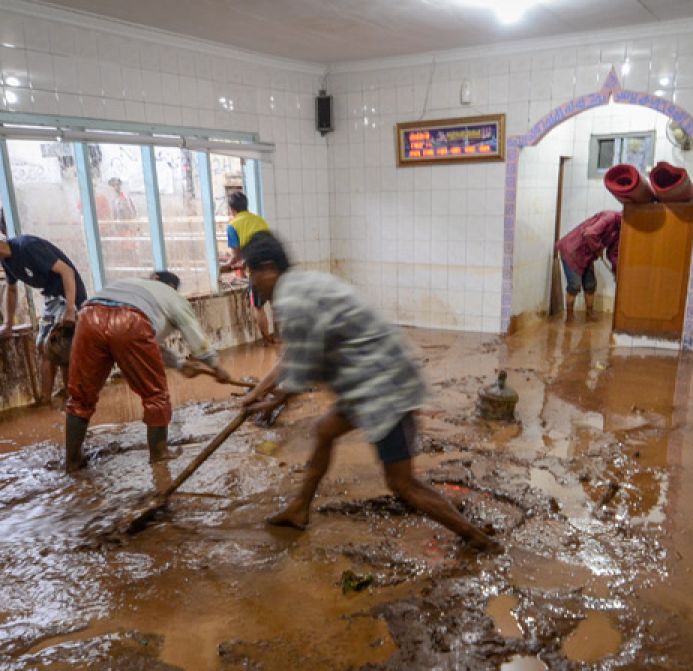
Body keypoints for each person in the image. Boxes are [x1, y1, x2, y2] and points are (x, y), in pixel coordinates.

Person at [239, 231, 500, 553]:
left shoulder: (292, 300)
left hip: (381, 388)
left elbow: (299, 371)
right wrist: (257, 394)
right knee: (325, 430)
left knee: (402, 483)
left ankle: (478, 540)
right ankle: (299, 509)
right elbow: (292, 357)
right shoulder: (301, 285)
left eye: (252, 274)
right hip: (368, 382)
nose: (253, 283)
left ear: (268, 268)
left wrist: (273, 400)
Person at [63, 271, 232, 472]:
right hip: (130, 321)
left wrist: (178, 365)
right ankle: (159, 455)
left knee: (80, 397)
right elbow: (195, 337)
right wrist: (216, 366)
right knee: (155, 396)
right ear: (171, 287)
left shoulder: (130, 285)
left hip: (89, 316)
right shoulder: (173, 298)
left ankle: (72, 461)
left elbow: (152, 346)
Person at [0, 228, 87, 402]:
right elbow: (11, 290)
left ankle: (72, 399)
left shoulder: (27, 247)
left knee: (60, 350)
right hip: (52, 298)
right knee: (42, 346)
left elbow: (67, 272)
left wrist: (71, 310)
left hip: (68, 296)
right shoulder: (8, 262)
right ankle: (45, 400)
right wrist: (8, 324)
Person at [219, 191, 276, 345]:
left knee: (257, 306)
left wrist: (225, 266)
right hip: (276, 263)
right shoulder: (259, 220)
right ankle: (281, 339)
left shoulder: (233, 225)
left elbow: (236, 255)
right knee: (276, 304)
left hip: (258, 269)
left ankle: (267, 341)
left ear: (231, 209)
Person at [555, 210, 622, 321]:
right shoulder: (610, 217)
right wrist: (598, 248)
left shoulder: (620, 231)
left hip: (587, 256)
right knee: (574, 286)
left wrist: (617, 271)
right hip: (573, 250)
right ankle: (569, 318)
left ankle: (589, 315)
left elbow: (613, 253)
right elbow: (589, 233)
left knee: (590, 284)